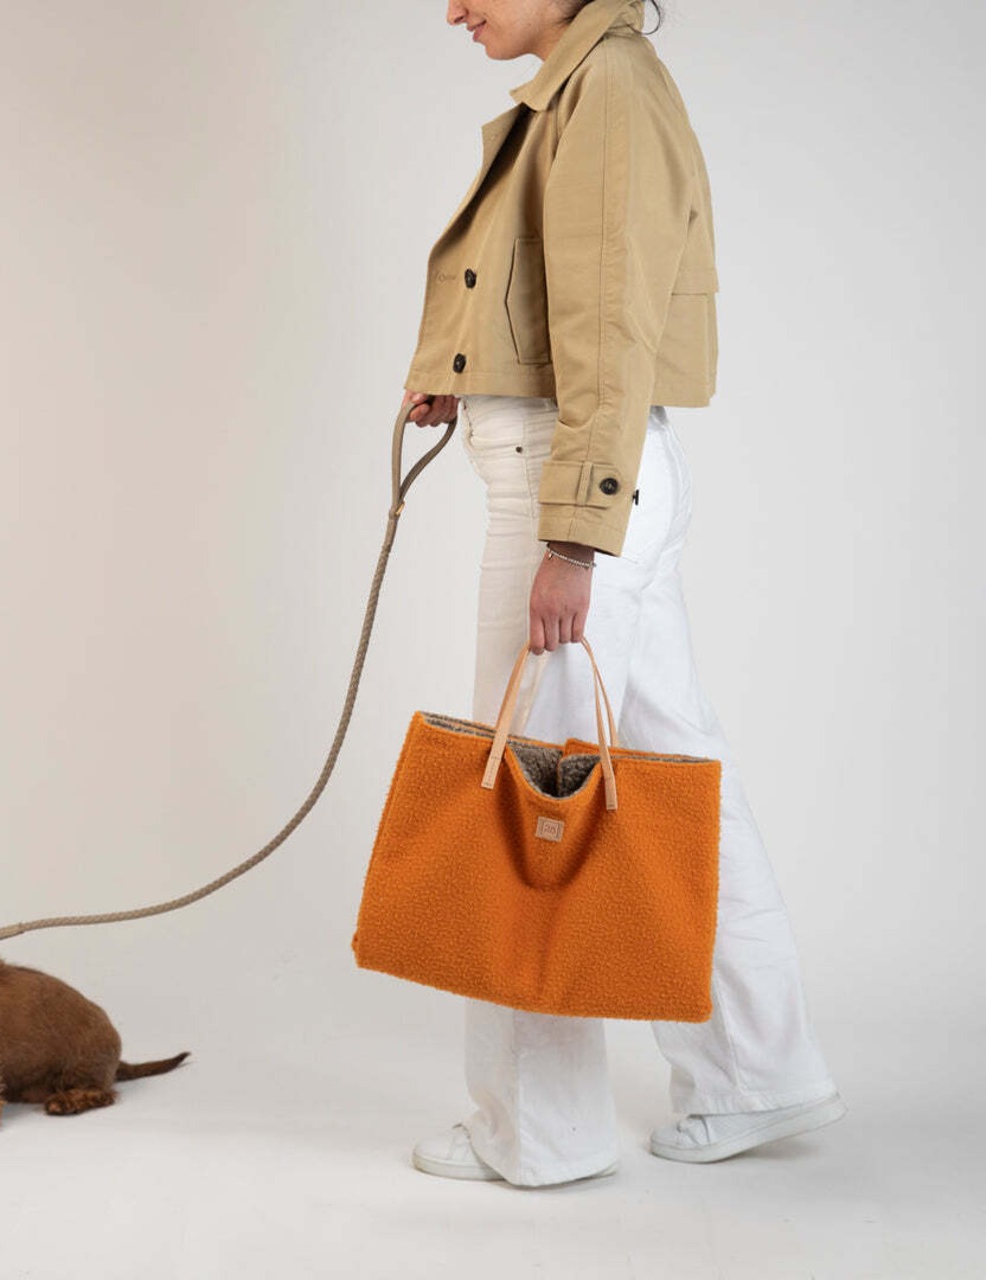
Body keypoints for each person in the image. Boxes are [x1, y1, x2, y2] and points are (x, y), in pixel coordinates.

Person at [400, 0, 845, 1187]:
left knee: (529, 805)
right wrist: (460, 373)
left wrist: (572, 535)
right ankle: (757, 1070)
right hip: (589, 479)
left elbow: (609, 325)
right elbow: (557, 299)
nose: (453, 7)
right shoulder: (597, 81)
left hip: (568, 492)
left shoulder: (603, 90)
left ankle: (535, 1130)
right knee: (673, 778)